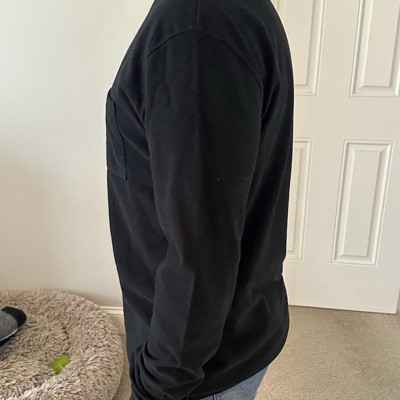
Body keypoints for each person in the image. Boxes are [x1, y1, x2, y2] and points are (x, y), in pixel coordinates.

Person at [105, 0, 294, 399]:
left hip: (199, 367)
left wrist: (159, 386)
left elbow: (200, 253)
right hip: (229, 330)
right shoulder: (210, 20)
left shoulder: (196, 30)